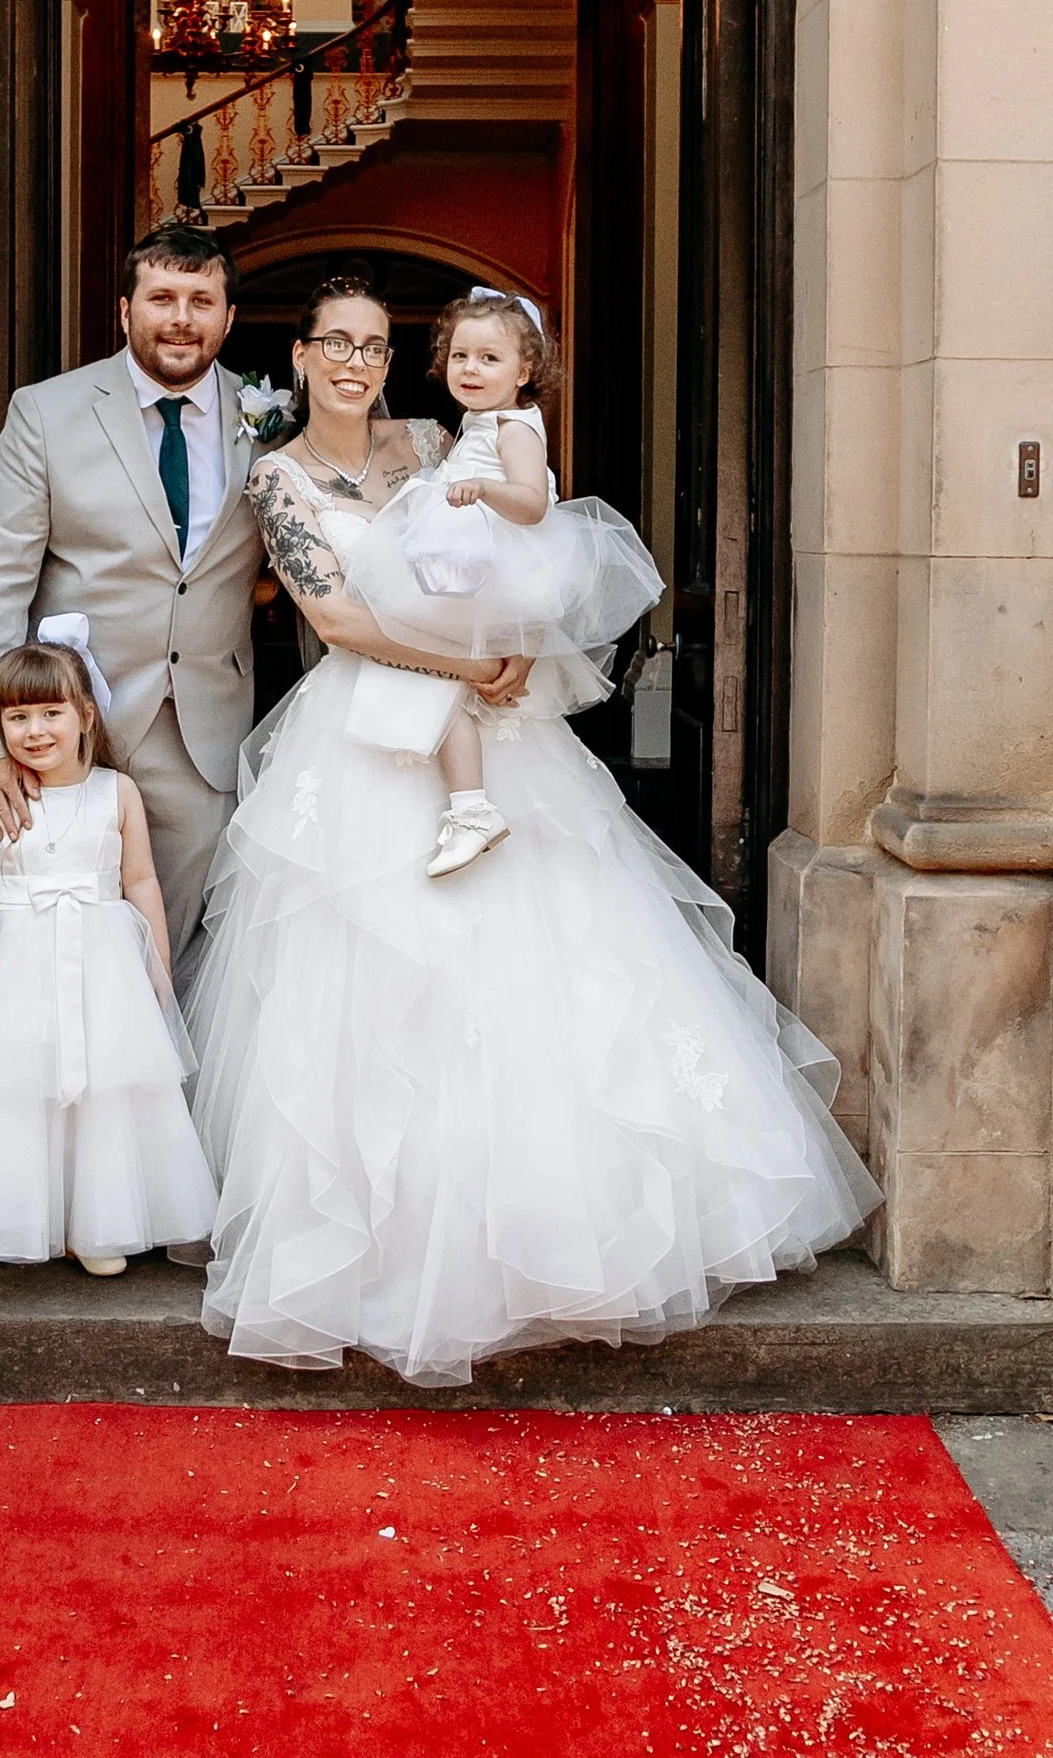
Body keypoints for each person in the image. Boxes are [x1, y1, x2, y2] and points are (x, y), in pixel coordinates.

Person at [185, 267, 881, 1388]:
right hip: (368, 736)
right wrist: (466, 663)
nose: (357, 362)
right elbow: (331, 611)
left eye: (373, 345)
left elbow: (530, 533)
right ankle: (376, 1253)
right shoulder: (275, 476)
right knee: (368, 978)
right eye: (336, 344)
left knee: (547, 957)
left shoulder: (430, 441)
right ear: (302, 356)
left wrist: (522, 643)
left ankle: (555, 1236)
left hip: (500, 731)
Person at [0, 635, 218, 1287]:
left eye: (51, 712)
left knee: (98, 1096)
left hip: (101, 960)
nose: (34, 730)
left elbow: (140, 881)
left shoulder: (118, 793)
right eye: (17, 717)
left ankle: (95, 1227)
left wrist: (155, 963)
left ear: (85, 715)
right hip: (16, 954)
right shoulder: (0, 796)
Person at [0, 224, 257, 976]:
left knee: (181, 952)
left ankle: (162, 1092)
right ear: (125, 312)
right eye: (162, 298)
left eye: (200, 300)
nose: (181, 317)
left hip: (205, 736)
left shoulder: (270, 423)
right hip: (61, 734)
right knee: (57, 945)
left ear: (227, 318)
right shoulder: (46, 413)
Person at [341, 288, 664, 877]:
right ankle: (469, 805)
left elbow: (534, 505)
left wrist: (482, 491)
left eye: (489, 358)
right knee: (436, 680)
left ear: (526, 368)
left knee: (427, 670)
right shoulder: (481, 422)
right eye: (461, 356)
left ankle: (471, 809)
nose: (471, 369)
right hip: (479, 573)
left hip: (496, 576)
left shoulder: (513, 428)